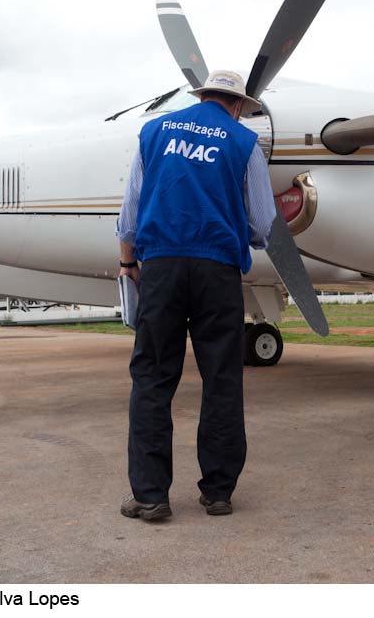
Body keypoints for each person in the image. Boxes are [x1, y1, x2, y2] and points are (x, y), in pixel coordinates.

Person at [116, 69, 276, 521]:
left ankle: (151, 495)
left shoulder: (154, 132)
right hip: (217, 271)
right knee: (221, 378)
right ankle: (218, 491)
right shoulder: (244, 143)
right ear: (238, 105)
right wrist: (236, 232)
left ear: (202, 95)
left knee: (152, 378)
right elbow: (262, 224)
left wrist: (128, 263)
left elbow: (130, 212)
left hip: (161, 266)